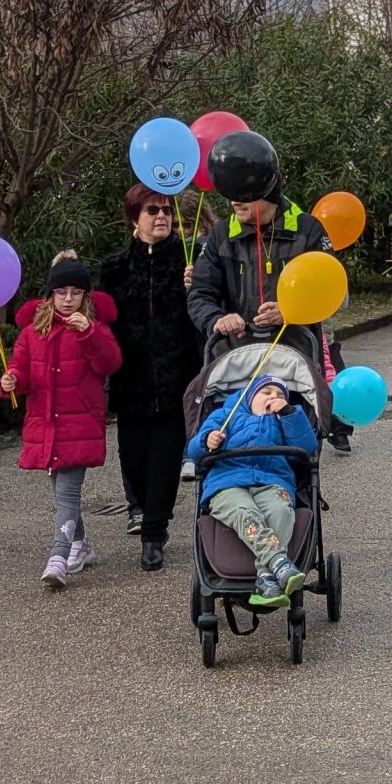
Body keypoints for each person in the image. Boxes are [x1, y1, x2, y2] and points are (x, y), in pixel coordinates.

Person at [98, 185, 204, 572]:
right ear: (135, 218)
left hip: (177, 379)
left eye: (166, 210)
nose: (162, 217)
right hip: (131, 382)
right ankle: (141, 509)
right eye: (152, 211)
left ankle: (154, 533)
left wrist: (196, 287)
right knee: (134, 461)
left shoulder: (190, 262)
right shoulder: (114, 269)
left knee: (165, 460)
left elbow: (206, 310)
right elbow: (101, 326)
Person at [1, 253, 123, 591]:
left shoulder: (96, 328)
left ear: (86, 296)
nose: (68, 299)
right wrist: (11, 380)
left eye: (76, 292)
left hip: (78, 426)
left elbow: (110, 363)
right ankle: (80, 544)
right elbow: (21, 368)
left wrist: (89, 335)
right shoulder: (32, 332)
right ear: (50, 295)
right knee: (61, 494)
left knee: (67, 494)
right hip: (46, 426)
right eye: (61, 292)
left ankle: (58, 557)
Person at [187, 181, 338, 430]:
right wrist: (216, 319)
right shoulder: (221, 235)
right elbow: (200, 292)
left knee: (296, 442)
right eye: (231, 196)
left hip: (295, 362)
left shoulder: (307, 229)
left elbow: (328, 286)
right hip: (234, 366)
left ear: (267, 191)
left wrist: (292, 310)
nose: (234, 202)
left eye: (242, 195)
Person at [189, 374, 317, 607]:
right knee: (244, 511)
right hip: (228, 482)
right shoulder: (225, 415)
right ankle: (278, 561)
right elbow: (194, 449)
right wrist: (207, 440)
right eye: (266, 392)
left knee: (281, 511)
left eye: (280, 395)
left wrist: (288, 413)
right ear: (249, 397)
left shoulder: (285, 420)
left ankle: (266, 577)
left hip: (272, 480)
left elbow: (306, 448)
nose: (273, 397)